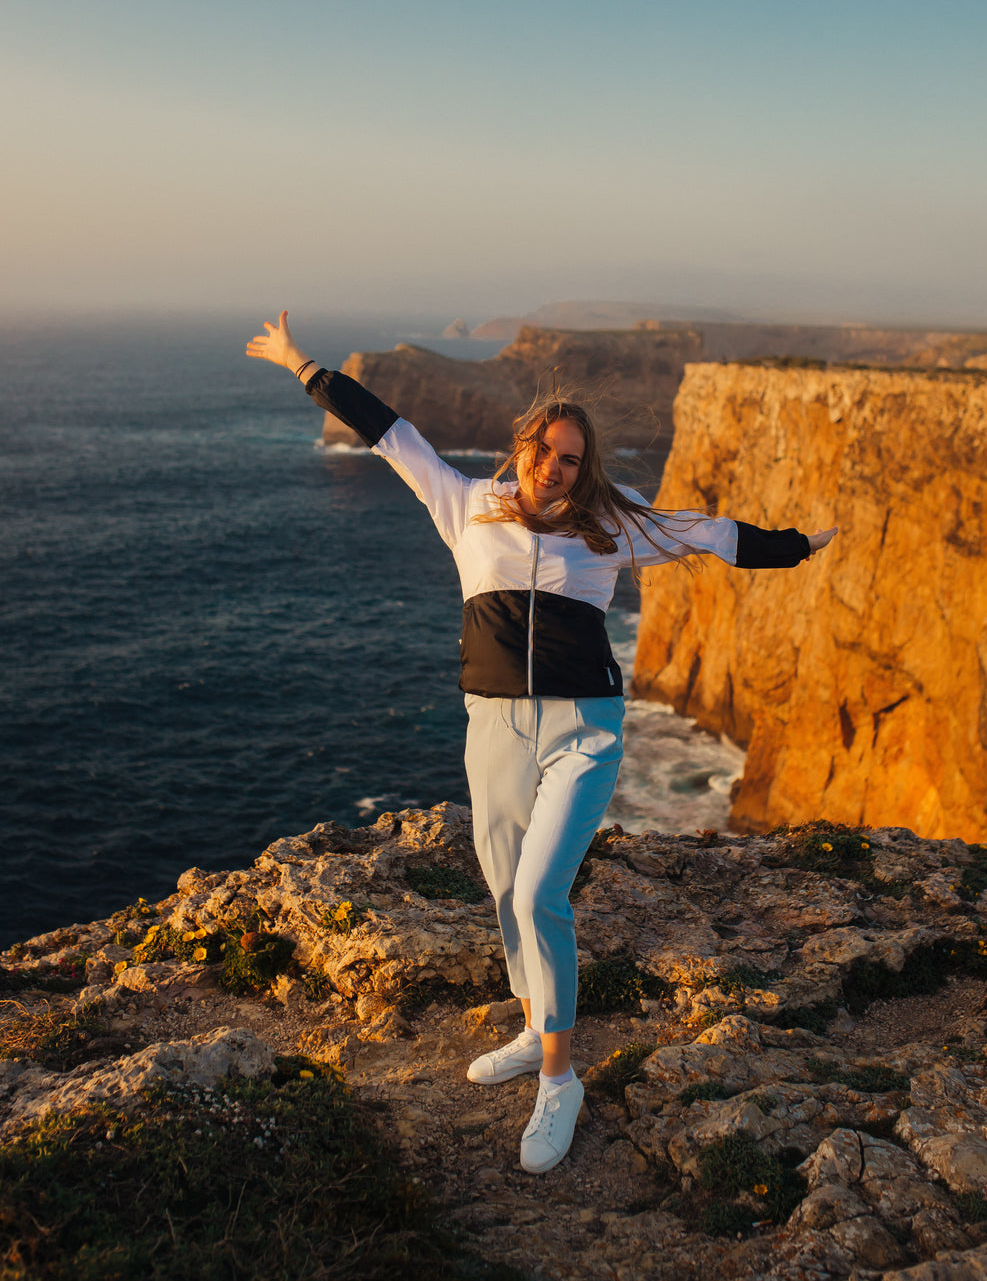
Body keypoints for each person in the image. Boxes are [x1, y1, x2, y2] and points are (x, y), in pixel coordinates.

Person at [246, 310, 838, 1174]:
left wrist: (798, 548)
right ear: (521, 445)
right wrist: (301, 363)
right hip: (493, 727)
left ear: (583, 467)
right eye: (544, 451)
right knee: (500, 883)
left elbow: (708, 531)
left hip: (582, 731)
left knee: (537, 897)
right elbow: (389, 431)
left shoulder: (613, 526)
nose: (554, 468)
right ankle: (536, 1026)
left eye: (571, 459)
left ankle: (560, 1079)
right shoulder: (463, 505)